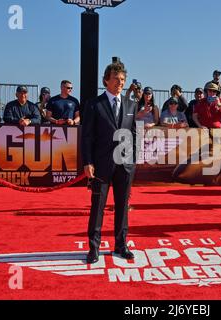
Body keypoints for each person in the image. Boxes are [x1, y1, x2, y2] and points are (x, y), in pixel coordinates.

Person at [81, 61, 137, 264]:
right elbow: (86, 136)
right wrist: (87, 162)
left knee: (122, 207)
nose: (120, 83)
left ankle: (121, 245)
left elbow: (133, 135)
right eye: (116, 79)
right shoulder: (94, 104)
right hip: (101, 165)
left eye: (122, 79)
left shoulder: (131, 105)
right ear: (106, 80)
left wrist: (132, 163)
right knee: (98, 207)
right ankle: (94, 248)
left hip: (124, 166)